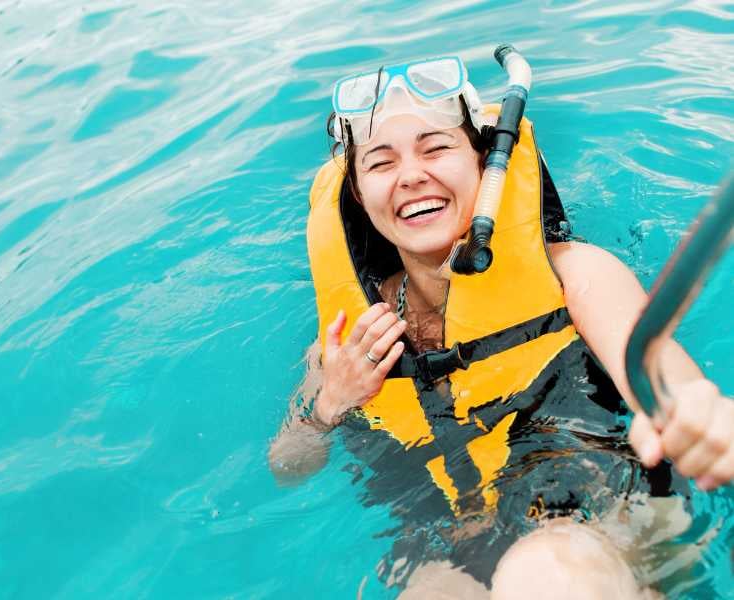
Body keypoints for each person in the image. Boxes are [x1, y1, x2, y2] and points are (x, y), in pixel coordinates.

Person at [268, 54, 734, 599]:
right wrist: (328, 404)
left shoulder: (576, 274)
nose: (411, 175)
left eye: (436, 147)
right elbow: (288, 466)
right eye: (380, 162)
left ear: (486, 164)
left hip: (598, 518)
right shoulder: (349, 339)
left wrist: (699, 415)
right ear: (357, 193)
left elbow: (664, 377)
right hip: (445, 547)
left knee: (547, 574)